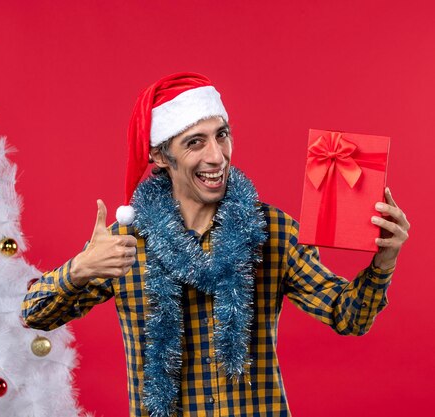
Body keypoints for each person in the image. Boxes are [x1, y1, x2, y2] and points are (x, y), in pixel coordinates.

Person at [21, 73, 409, 417]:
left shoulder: (271, 230)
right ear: (159, 155)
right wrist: (79, 270)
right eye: (195, 142)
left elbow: (349, 317)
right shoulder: (125, 243)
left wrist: (384, 262)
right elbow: (34, 314)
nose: (216, 156)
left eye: (221, 135)